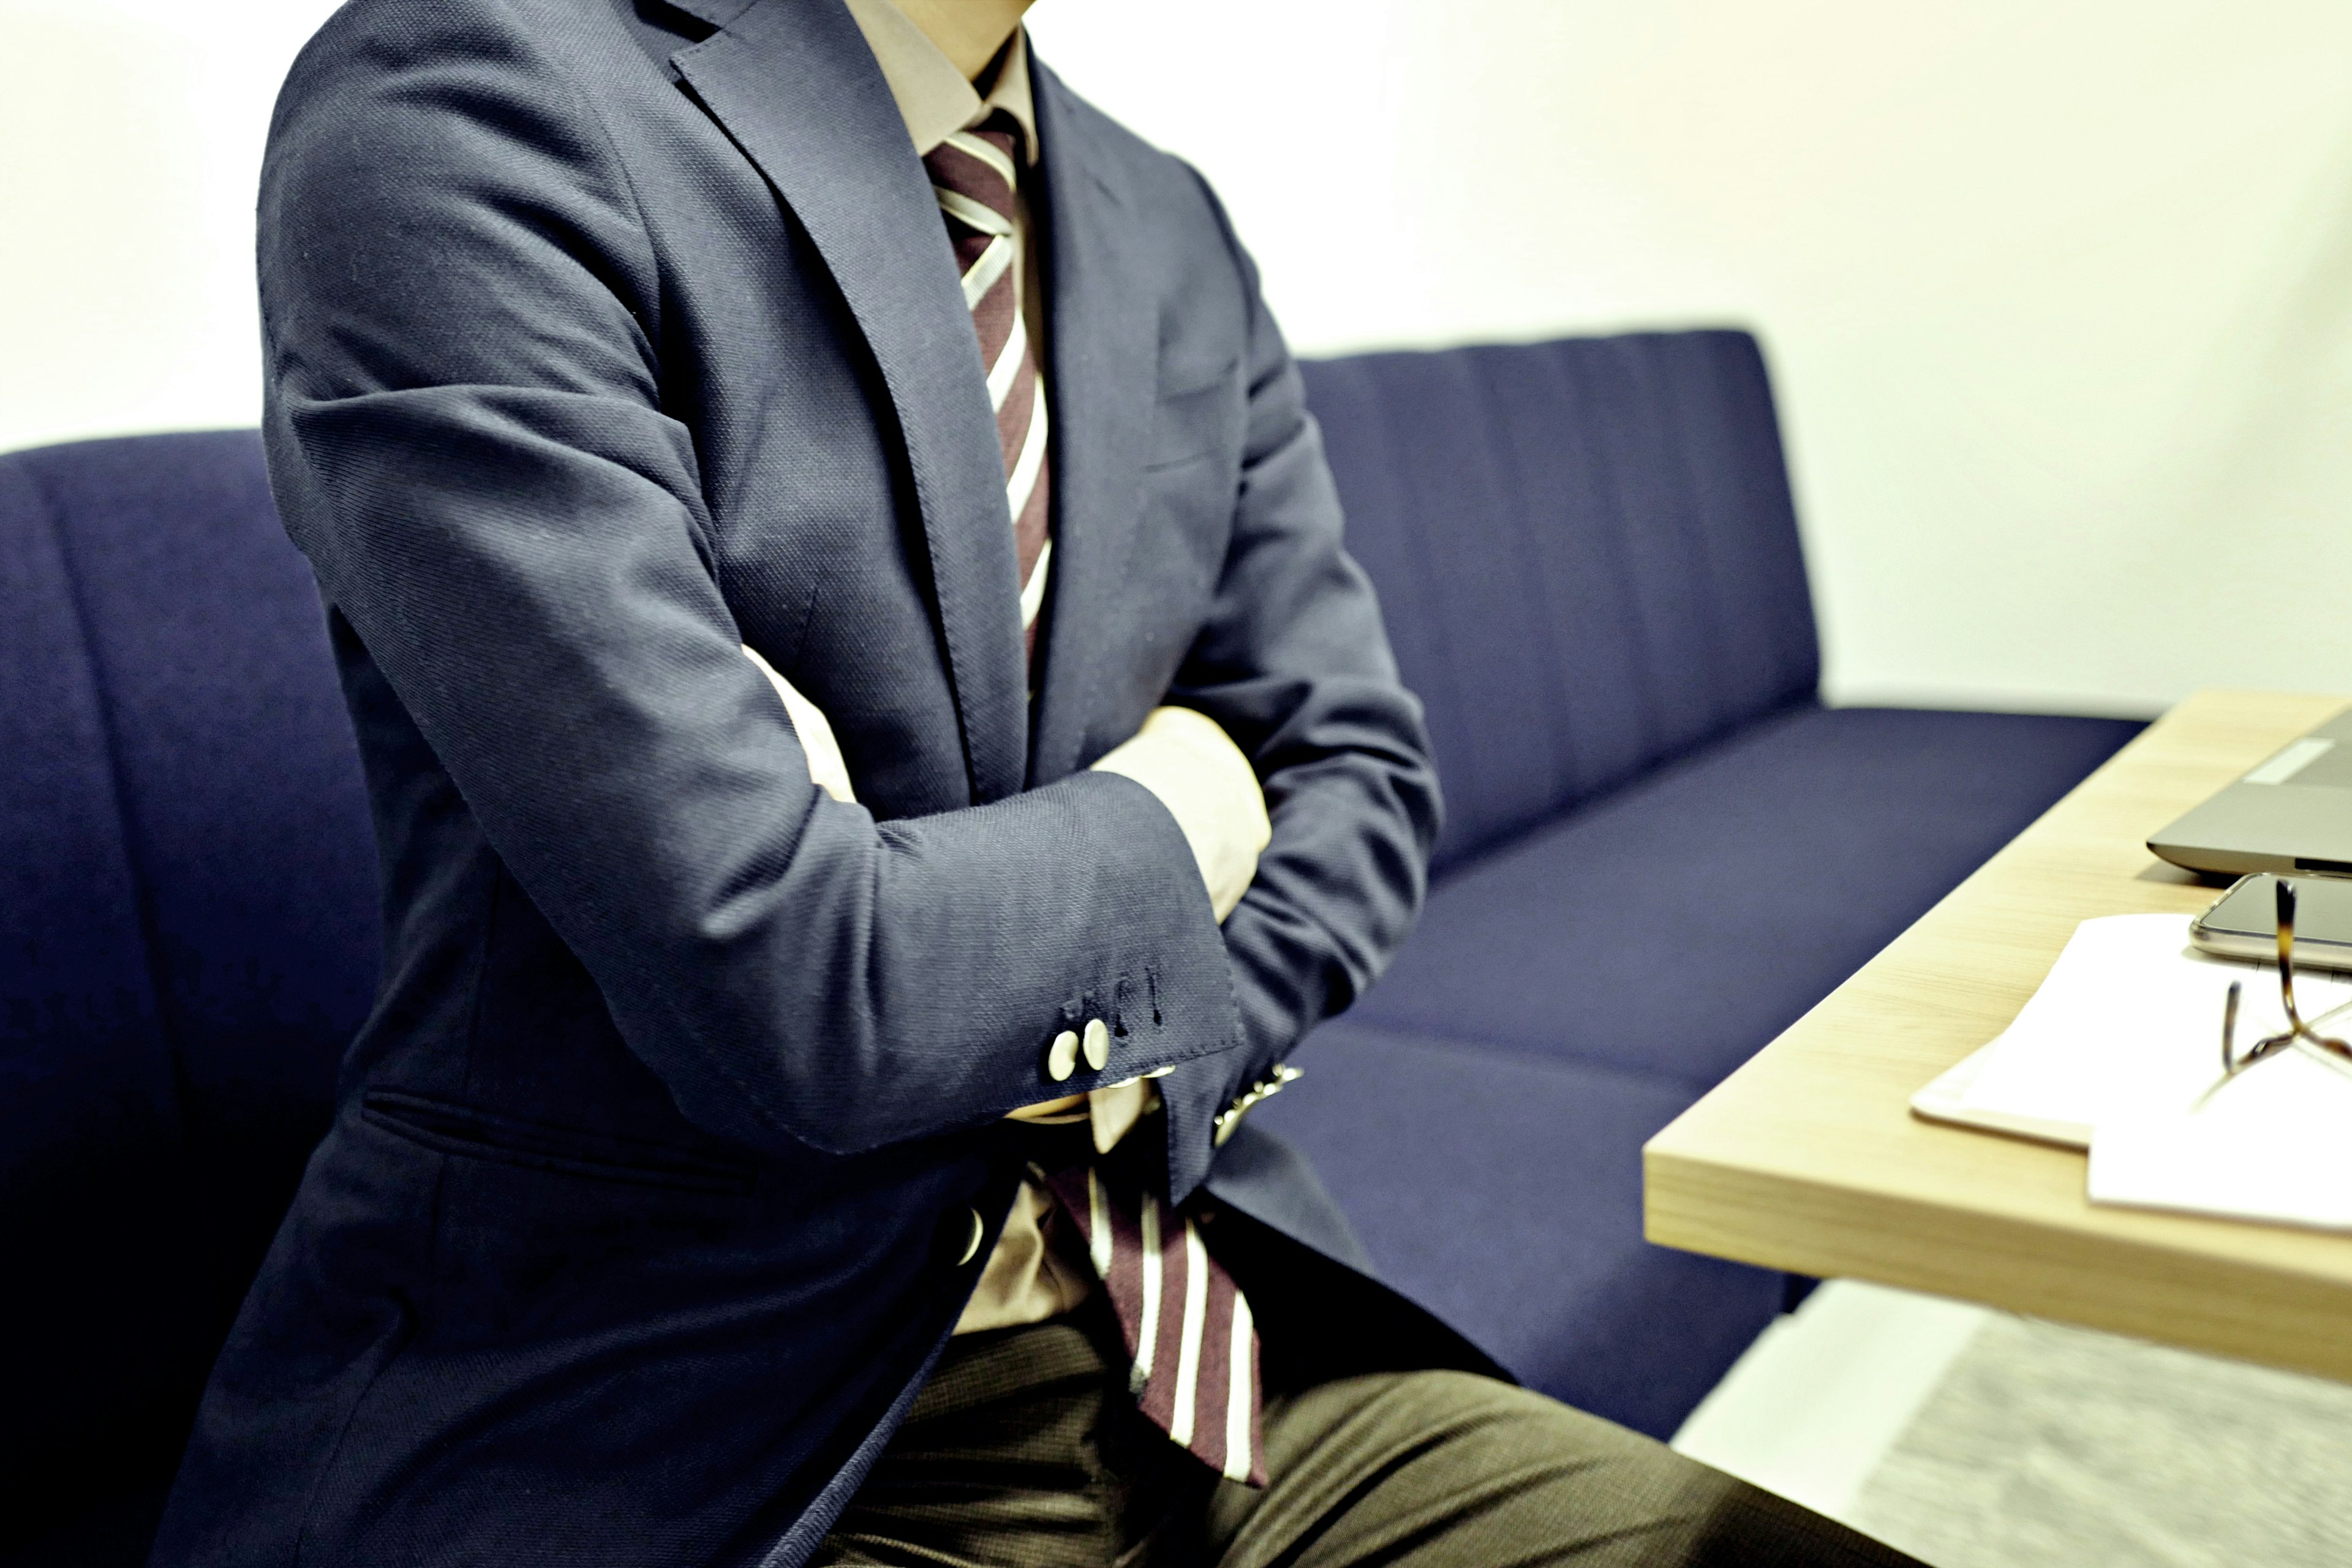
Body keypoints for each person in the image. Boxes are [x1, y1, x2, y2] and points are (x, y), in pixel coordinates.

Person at [150, 1, 1926, 1563]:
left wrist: (1043, 989)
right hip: (687, 1437)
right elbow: (800, 987)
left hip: (1203, 1349)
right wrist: (1189, 803)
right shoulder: (469, 103)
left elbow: (1363, 774)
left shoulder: (1161, 218)